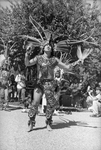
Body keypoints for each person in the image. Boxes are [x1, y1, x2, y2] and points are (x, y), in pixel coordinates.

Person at [25, 42, 76, 131]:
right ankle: (31, 122)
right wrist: (27, 55)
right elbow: (28, 63)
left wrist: (76, 63)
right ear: (43, 48)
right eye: (46, 45)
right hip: (40, 83)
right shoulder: (38, 58)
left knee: (50, 104)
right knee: (35, 102)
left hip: (50, 84)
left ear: (52, 49)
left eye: (49, 46)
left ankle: (48, 122)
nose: (48, 46)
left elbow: (66, 67)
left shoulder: (54, 60)